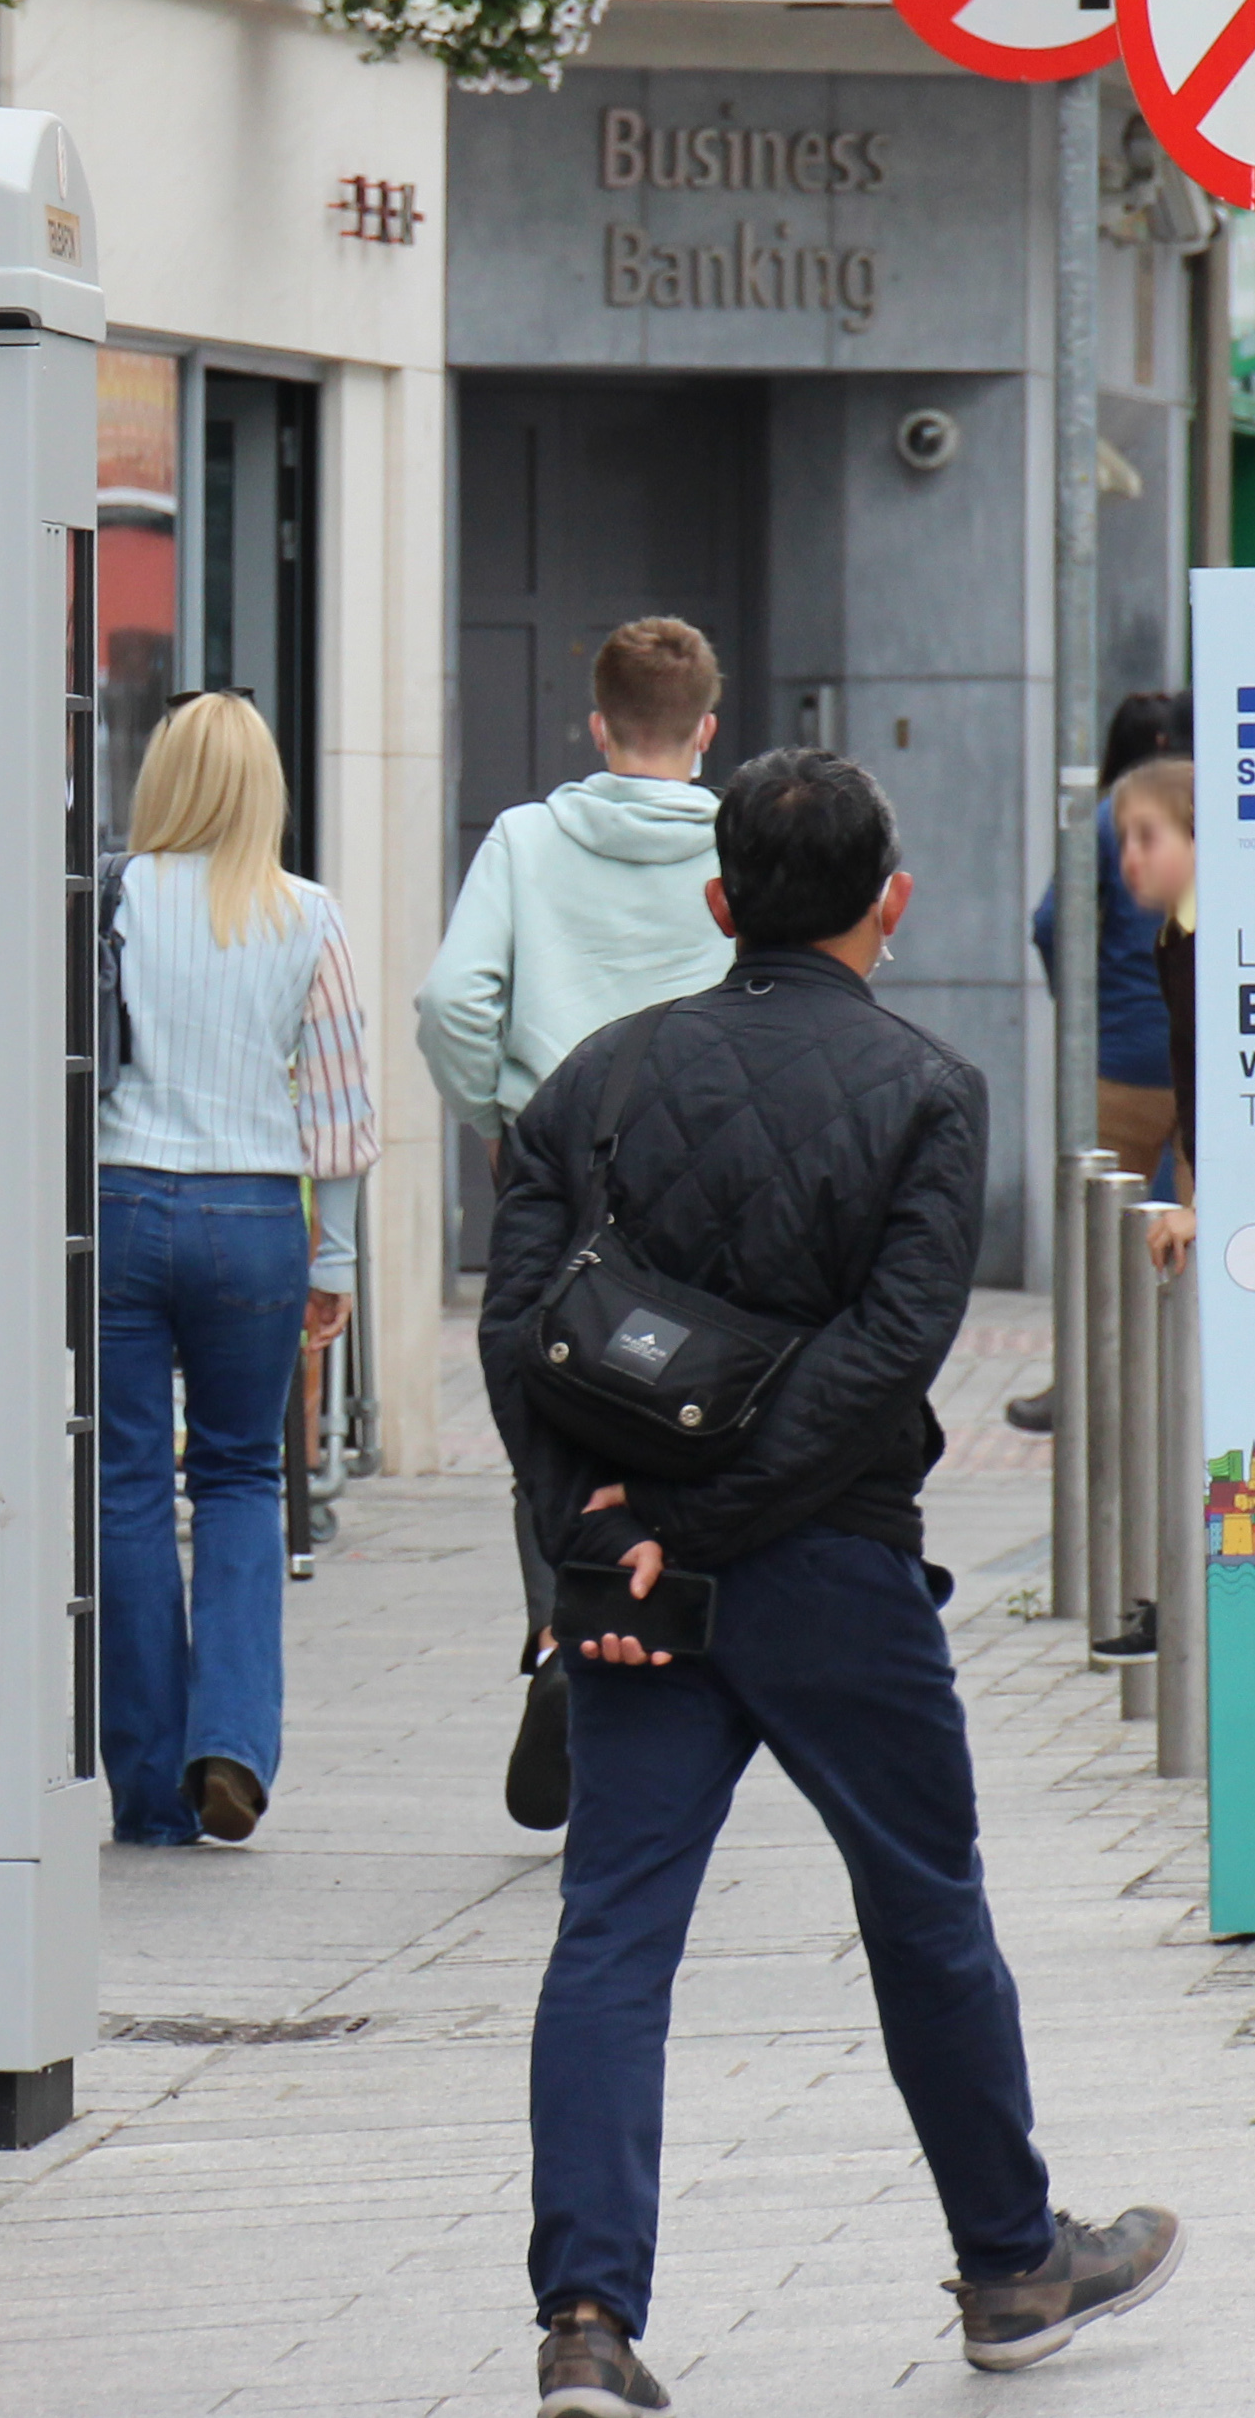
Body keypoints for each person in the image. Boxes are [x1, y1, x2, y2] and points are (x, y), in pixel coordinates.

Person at [484, 750, 1176, 2414]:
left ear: (716, 905)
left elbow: (518, 1344)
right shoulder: (929, 1094)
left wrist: (599, 1534)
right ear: (893, 901)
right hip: (835, 1575)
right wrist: (713, 1523)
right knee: (921, 1904)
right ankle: (1011, 2266)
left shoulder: (587, 1084)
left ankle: (584, 2319)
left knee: (611, 1931)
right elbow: (884, 1358)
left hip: (633, 1576)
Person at [414, 614, 736, 1836]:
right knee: (691, 1405)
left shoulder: (527, 839)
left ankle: (562, 1616)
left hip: (559, 1176)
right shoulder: (733, 837)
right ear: (706, 731)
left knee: (554, 1405)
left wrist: (503, 1116)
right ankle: (660, 1661)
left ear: (597, 726)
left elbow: (453, 999)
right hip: (704, 1175)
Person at [96, 692, 377, 1847]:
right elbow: (345, 1107)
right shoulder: (309, 916)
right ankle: (232, 1744)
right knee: (240, 1479)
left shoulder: (106, 900)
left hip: (116, 1202)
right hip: (257, 1214)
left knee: (121, 1486)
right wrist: (339, 1255)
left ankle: (150, 1791)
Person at [1006, 691, 1188, 1435]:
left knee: (1103, 1234)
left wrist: (1079, 1008)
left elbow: (1053, 921)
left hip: (1123, 1058)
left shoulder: (1115, 814)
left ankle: (1082, 1384)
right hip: (1204, 1064)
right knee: (1189, 1231)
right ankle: (1180, 1380)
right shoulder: (1217, 808)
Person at [1087, 753, 1196, 1665]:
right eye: (1123, 838)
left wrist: (1201, 1202)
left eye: (1147, 837)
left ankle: (1187, 1600)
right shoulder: (1174, 939)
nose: (1128, 858)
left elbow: (1223, 1091)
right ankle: (1176, 1594)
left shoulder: (1211, 942)